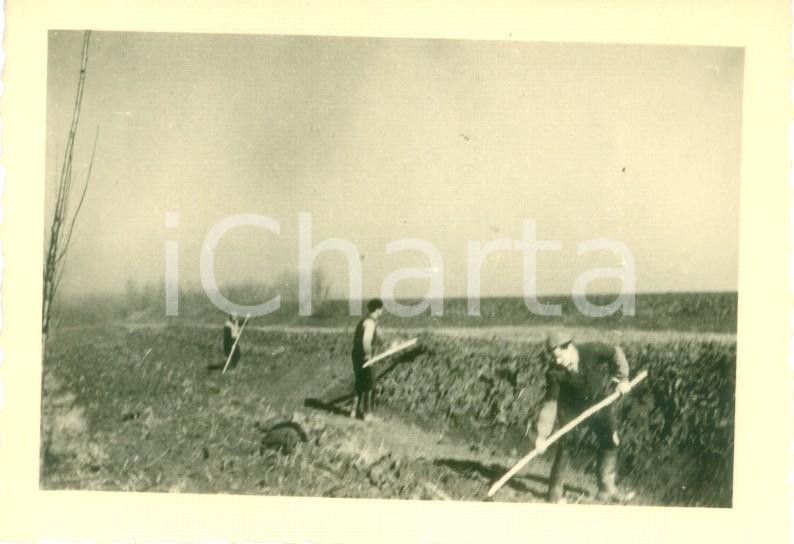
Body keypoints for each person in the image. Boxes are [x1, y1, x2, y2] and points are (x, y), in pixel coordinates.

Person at [533, 330, 634, 504]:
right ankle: (555, 492)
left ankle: (607, 489)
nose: (558, 362)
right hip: (571, 409)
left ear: (570, 347)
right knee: (567, 445)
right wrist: (542, 435)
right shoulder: (554, 373)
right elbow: (550, 405)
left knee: (611, 440)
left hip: (598, 403)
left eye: (560, 356)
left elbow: (616, 353)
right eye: (554, 358)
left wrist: (622, 378)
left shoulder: (591, 350)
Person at [350, 298, 385, 421]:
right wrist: (368, 356)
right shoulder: (370, 323)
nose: (382, 311)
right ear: (377, 309)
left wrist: (386, 340)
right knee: (369, 384)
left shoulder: (367, 321)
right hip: (364, 357)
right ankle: (367, 414)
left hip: (356, 355)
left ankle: (353, 411)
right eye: (381, 309)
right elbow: (366, 340)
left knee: (359, 382)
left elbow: (379, 337)